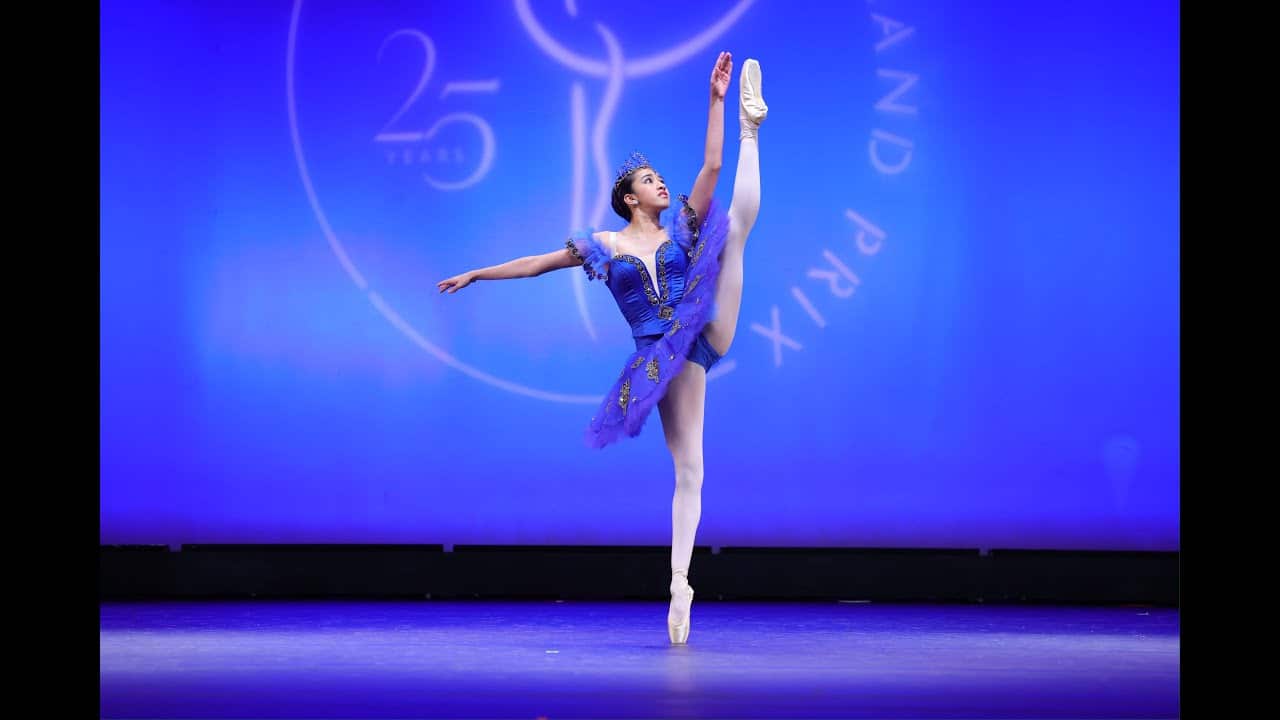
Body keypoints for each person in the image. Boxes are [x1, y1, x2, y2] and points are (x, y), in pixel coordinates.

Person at [438, 51, 767, 644]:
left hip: (703, 323)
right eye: (649, 180)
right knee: (689, 469)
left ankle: (753, 127)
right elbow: (538, 263)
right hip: (661, 357)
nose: (660, 182)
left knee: (735, 231)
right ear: (629, 198)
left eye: (659, 177)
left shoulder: (682, 228)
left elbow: (712, 167)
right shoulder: (603, 245)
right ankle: (679, 584)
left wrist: (717, 103)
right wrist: (478, 272)